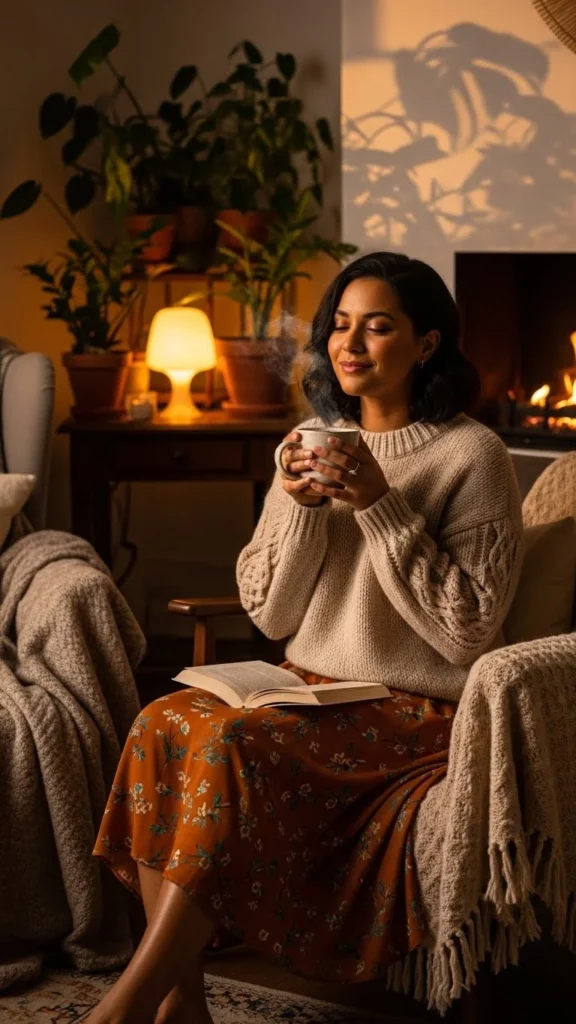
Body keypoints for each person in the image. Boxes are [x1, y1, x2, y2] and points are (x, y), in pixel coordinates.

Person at [87, 252, 524, 1024]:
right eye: (340, 326)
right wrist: (299, 508)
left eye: (378, 327)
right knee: (163, 724)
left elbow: (468, 633)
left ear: (426, 344)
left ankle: (127, 1003)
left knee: (231, 746)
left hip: (417, 712)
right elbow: (273, 616)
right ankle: (183, 1001)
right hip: (308, 687)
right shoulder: (312, 437)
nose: (350, 345)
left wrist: (382, 508)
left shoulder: (472, 455)